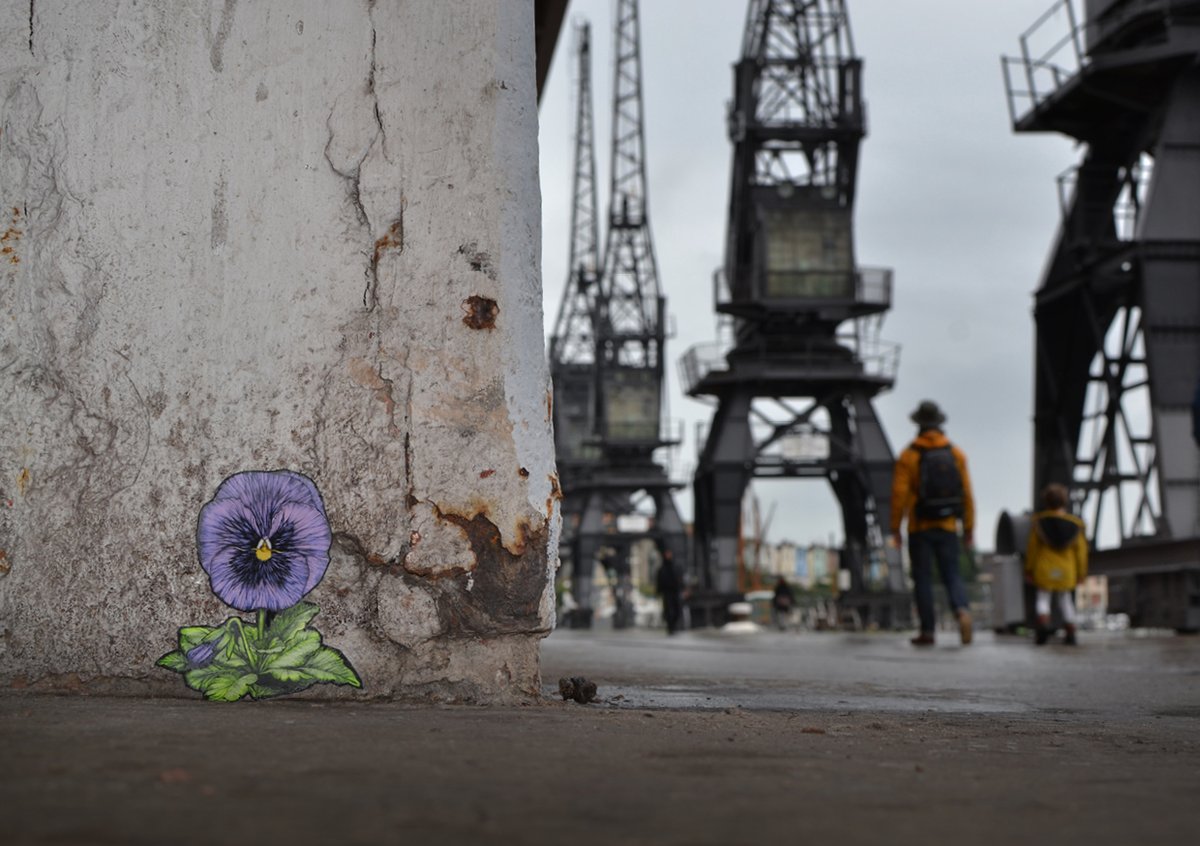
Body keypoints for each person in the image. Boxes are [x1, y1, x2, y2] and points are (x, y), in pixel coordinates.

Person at [891, 400, 975, 647]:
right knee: (952, 575)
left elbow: (899, 495)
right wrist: (969, 528)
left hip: (920, 527)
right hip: (948, 525)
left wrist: (894, 527)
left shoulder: (910, 455)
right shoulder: (956, 453)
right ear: (940, 423)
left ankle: (927, 631)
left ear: (917, 423)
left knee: (923, 579)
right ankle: (961, 610)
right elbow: (967, 494)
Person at [1025, 482, 1088, 646]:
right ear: (1064, 501)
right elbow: (1081, 553)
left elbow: (1032, 550)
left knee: (1043, 599)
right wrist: (1081, 573)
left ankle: (1044, 626)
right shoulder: (1075, 525)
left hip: (1045, 568)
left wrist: (1029, 569)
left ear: (1046, 501)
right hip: (1067, 570)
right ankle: (1071, 632)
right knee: (1065, 600)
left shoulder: (1039, 523)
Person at [655, 548, 684, 635]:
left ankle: (673, 626)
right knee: (668, 611)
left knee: (677, 610)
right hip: (666, 592)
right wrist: (658, 592)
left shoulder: (676, 567)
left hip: (675, 592)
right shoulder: (662, 569)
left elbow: (680, 579)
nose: (668, 555)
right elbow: (659, 581)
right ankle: (670, 627)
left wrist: (682, 589)